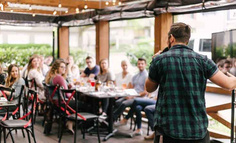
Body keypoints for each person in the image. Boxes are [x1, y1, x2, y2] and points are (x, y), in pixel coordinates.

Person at [146, 22, 236, 143]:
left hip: (168, 130)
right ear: (187, 40)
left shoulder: (159, 60)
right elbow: (229, 84)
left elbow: (149, 88)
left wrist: (154, 61)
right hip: (197, 130)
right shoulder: (203, 60)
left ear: (171, 38)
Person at [45, 59, 76, 134]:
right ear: (56, 68)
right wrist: (73, 96)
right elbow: (67, 95)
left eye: (65, 67)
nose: (64, 69)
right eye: (62, 67)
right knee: (85, 105)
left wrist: (67, 86)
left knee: (78, 103)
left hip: (54, 102)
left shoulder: (51, 77)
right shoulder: (59, 78)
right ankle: (71, 122)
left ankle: (70, 122)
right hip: (62, 103)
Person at [113, 58, 148, 124]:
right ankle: (113, 118)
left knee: (124, 103)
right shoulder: (135, 76)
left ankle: (112, 119)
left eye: (142, 64)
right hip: (132, 96)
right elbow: (131, 88)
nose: (140, 65)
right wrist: (128, 95)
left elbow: (146, 92)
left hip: (140, 98)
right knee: (117, 101)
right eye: (139, 64)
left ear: (145, 65)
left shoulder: (147, 76)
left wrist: (133, 96)